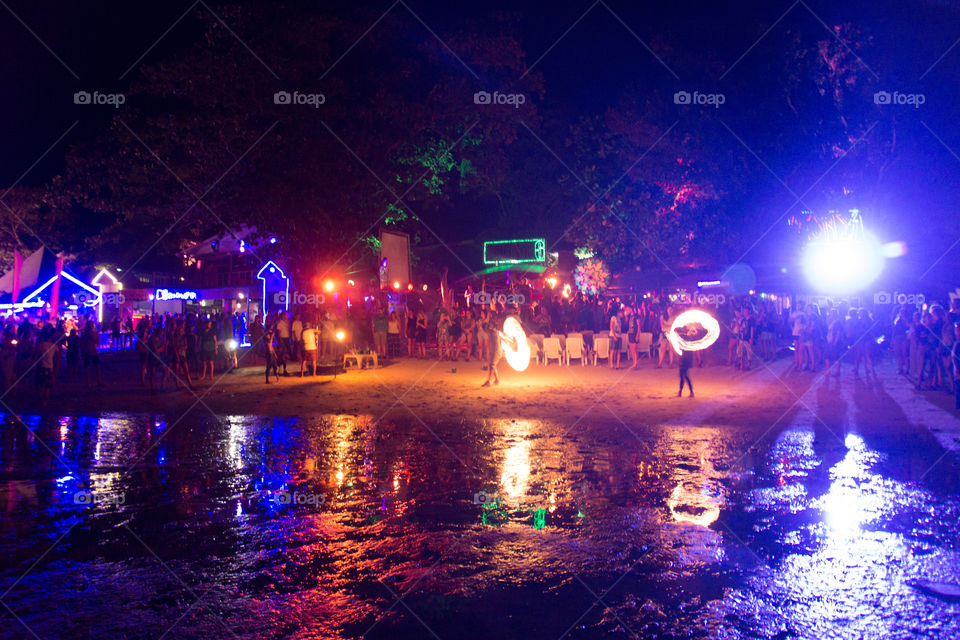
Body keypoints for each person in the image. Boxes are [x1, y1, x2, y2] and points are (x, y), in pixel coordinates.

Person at [482, 313, 505, 387]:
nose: (485, 330)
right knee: (492, 365)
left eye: (485, 328)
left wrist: (488, 316)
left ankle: (489, 381)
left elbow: (488, 326)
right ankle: (497, 380)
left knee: (492, 364)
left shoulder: (493, 332)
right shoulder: (493, 332)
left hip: (497, 351)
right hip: (495, 350)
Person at [80, 321, 104, 388]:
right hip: (92, 351)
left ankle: (89, 382)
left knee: (88, 367)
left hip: (87, 351)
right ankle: (97, 381)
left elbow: (81, 343)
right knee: (96, 367)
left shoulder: (84, 334)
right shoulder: (94, 333)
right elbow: (98, 343)